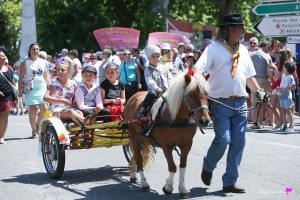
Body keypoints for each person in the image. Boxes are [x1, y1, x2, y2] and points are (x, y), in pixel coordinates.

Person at [195, 14, 267, 193]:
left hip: (241, 104)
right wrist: (194, 74)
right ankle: (208, 165)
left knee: (239, 142)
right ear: (228, 29)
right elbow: (199, 67)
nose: (243, 30)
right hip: (220, 103)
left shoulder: (243, 50)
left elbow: (249, 77)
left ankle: (229, 181)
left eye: (242, 27)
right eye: (239, 27)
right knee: (223, 139)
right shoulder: (213, 48)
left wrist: (259, 91)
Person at [18, 43, 50, 138]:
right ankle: (33, 130)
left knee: (44, 108)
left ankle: (37, 125)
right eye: (33, 49)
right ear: (29, 51)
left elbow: (45, 76)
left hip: (41, 87)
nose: (35, 51)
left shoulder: (42, 62)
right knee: (32, 109)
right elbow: (21, 78)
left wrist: (50, 87)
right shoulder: (25, 63)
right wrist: (19, 91)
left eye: (37, 49)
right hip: (30, 88)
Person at [139, 45, 174, 118]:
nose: (156, 58)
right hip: (156, 92)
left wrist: (170, 86)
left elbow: (170, 77)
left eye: (157, 56)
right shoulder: (148, 70)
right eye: (153, 56)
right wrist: (156, 88)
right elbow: (149, 81)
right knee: (152, 94)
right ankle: (143, 109)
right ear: (148, 58)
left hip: (166, 91)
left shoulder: (164, 68)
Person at [249, 41, 274, 128]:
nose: (269, 49)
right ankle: (272, 122)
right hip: (264, 80)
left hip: (254, 80)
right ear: (266, 46)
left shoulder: (251, 55)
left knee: (255, 103)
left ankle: (256, 123)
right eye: (269, 47)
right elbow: (269, 70)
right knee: (269, 102)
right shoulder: (266, 55)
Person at [0, 50, 16, 144]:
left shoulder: (9, 69)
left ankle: (1, 137)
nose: (3, 57)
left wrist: (16, 91)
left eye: (4, 55)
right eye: (1, 56)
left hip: (8, 96)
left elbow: (12, 81)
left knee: (5, 115)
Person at [278, 61, 296, 132]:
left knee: (288, 110)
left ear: (287, 68)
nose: (283, 67)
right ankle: (284, 125)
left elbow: (293, 87)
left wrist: (286, 88)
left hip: (287, 95)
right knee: (282, 110)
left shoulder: (290, 77)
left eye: (284, 66)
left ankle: (291, 126)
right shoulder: (283, 75)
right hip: (282, 95)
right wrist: (280, 89)